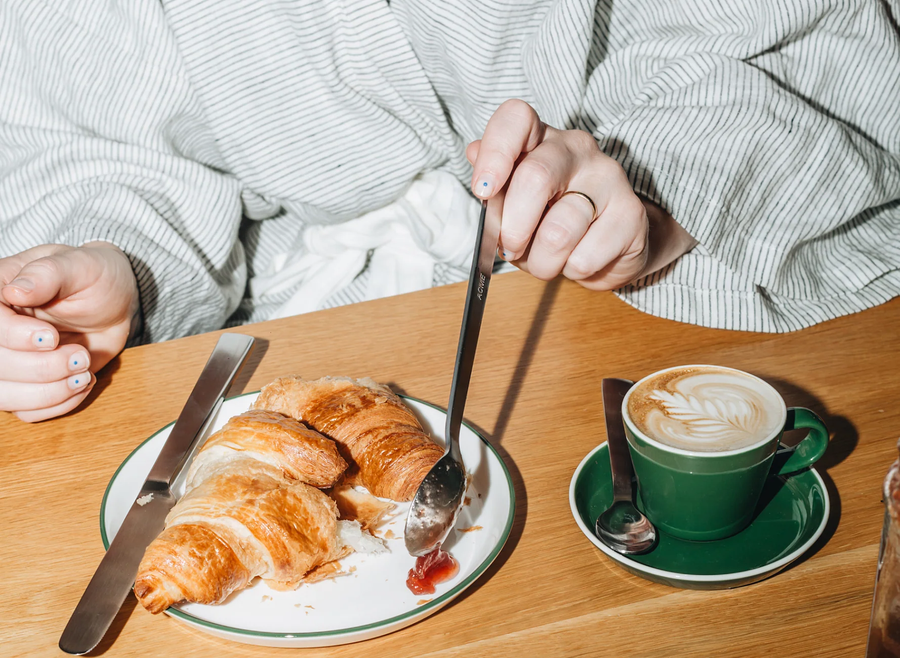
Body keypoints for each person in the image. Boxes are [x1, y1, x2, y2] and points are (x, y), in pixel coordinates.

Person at [1, 0, 898, 422]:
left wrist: (656, 171)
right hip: (286, 346)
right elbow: (100, 138)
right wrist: (118, 259)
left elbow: (817, 37)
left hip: (679, 312)